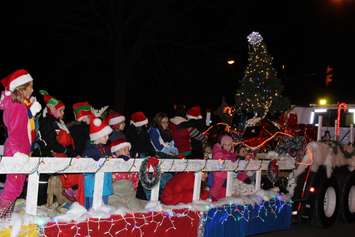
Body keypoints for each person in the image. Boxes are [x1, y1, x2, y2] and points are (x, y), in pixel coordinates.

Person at [0, 69, 42, 218]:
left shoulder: (19, 105)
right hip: (17, 152)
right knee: (13, 188)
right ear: (22, 87)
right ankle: (2, 218)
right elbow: (15, 131)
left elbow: (23, 126)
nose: (32, 89)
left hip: (21, 151)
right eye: (30, 86)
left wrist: (30, 111)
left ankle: (5, 219)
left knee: (16, 188)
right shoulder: (16, 106)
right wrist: (17, 152)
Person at [82, 118, 113, 209]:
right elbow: (87, 158)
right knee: (91, 209)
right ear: (97, 136)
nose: (108, 138)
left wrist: (121, 158)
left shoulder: (106, 149)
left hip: (105, 185)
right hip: (92, 186)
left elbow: (111, 160)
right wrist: (95, 155)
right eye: (105, 136)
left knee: (104, 208)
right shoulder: (89, 149)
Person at [210, 135, 236, 201]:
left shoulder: (231, 154)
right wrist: (228, 155)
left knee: (224, 191)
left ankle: (220, 202)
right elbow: (219, 156)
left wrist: (231, 154)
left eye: (229, 145)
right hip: (219, 175)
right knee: (216, 189)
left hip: (226, 175)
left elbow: (233, 160)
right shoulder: (219, 151)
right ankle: (212, 201)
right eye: (225, 145)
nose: (227, 147)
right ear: (222, 145)